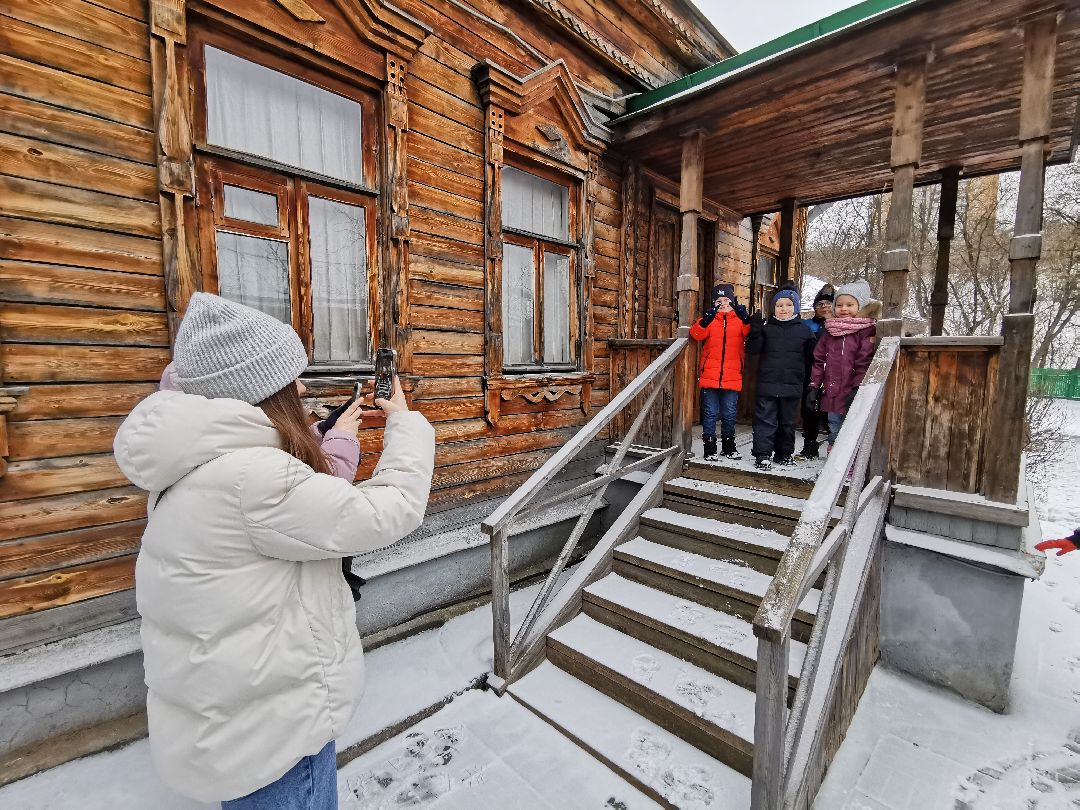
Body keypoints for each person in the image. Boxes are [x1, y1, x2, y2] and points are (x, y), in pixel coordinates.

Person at [113, 293, 436, 808]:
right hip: (276, 729)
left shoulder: (197, 464)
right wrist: (405, 421)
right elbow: (388, 509)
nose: (302, 387)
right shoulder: (254, 477)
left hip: (236, 720)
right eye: (290, 378)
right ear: (259, 391)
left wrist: (320, 436)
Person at [746, 283, 816, 469]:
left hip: (792, 384)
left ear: (796, 307)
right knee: (765, 421)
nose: (783, 309)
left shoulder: (804, 330)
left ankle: (784, 454)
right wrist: (755, 332)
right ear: (773, 308)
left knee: (787, 422)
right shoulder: (767, 328)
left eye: (788, 305)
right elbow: (752, 350)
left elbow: (813, 357)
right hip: (767, 383)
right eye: (779, 305)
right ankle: (763, 454)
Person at [807, 279, 877, 451]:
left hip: (853, 391)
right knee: (834, 427)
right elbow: (819, 360)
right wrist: (814, 385)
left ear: (860, 306)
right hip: (832, 391)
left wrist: (858, 386)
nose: (844, 309)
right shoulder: (830, 331)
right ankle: (833, 460)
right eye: (839, 305)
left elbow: (864, 360)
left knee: (852, 429)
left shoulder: (865, 330)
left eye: (849, 305)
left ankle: (848, 462)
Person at [690, 283, 751, 461]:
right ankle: (710, 448)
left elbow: (752, 333)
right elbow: (696, 334)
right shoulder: (710, 320)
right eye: (719, 301)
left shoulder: (739, 320)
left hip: (732, 376)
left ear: (733, 302)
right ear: (713, 303)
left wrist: (747, 319)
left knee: (729, 413)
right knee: (709, 413)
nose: (723, 304)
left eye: (727, 300)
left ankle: (729, 447)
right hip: (710, 376)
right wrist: (704, 321)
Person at [797, 284, 834, 459]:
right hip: (810, 373)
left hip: (834, 374)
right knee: (809, 409)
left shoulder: (840, 324)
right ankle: (809, 445)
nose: (824, 307)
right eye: (820, 304)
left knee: (831, 411)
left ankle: (833, 447)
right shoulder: (806, 325)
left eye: (828, 303)